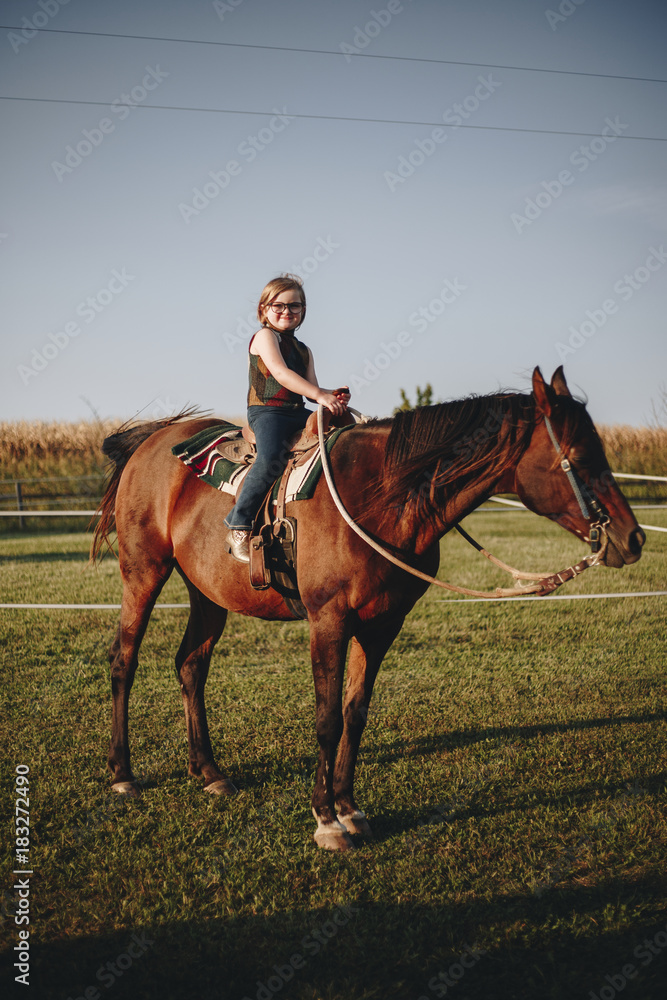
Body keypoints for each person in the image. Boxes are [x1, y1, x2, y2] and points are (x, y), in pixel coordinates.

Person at [224, 274, 351, 563]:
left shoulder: (305, 350)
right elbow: (281, 374)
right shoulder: (264, 337)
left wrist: (332, 394)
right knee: (270, 458)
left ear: (303, 311)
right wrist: (320, 394)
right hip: (268, 412)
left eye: (295, 306)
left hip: (296, 411)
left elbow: (308, 390)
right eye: (278, 305)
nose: (286, 312)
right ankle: (239, 523)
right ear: (263, 309)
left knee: (345, 437)